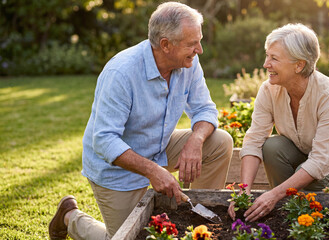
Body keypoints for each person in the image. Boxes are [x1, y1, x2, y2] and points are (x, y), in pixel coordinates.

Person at [48, 2, 233, 239]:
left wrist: (196, 140)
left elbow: (205, 109)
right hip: (117, 169)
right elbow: (104, 141)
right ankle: (70, 217)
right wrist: (153, 171)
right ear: (165, 44)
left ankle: (196, 217)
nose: (200, 50)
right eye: (191, 43)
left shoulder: (188, 62)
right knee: (131, 236)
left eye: (199, 40)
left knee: (219, 141)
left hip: (158, 147)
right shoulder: (122, 73)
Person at [228, 23, 329, 222]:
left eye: (274, 58)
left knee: (312, 178)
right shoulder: (269, 90)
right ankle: (291, 212)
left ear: (299, 65)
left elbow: (321, 161)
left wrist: (273, 194)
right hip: (309, 154)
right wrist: (243, 191)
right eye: (267, 56)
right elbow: (254, 140)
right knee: (272, 146)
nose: (266, 64)